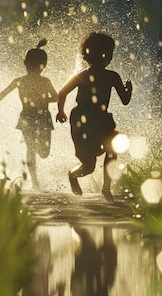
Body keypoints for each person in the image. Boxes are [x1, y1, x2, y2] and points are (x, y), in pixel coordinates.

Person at [56, 32, 132, 200]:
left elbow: (125, 100)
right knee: (89, 165)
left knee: (112, 148)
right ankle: (73, 175)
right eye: (108, 54)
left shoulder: (112, 76)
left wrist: (128, 91)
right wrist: (60, 110)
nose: (110, 58)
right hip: (82, 121)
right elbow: (61, 93)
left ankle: (106, 187)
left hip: (101, 120)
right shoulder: (82, 76)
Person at [0, 39, 58, 190]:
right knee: (31, 148)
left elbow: (56, 97)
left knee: (44, 152)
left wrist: (43, 99)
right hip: (28, 118)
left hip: (42, 118)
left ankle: (35, 179)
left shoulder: (44, 81)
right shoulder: (20, 81)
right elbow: (6, 91)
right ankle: (35, 182)